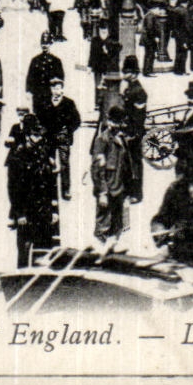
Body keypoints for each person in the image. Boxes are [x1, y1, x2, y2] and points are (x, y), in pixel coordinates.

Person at [4, 109, 60, 267]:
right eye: (35, 135)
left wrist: (54, 209)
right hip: (26, 210)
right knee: (25, 248)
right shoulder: (18, 158)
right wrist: (19, 213)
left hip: (43, 209)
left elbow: (52, 183)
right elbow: (13, 190)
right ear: (28, 136)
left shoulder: (44, 155)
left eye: (40, 135)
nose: (38, 139)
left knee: (44, 249)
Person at [90, 104, 132, 250]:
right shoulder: (102, 140)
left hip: (119, 189)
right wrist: (102, 192)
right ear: (109, 121)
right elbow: (97, 168)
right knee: (103, 226)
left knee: (118, 225)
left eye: (119, 123)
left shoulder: (121, 139)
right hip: (107, 189)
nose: (117, 125)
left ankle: (112, 252)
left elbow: (127, 166)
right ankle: (99, 252)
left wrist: (129, 190)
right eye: (114, 122)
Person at [36, 78, 83, 201]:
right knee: (47, 161)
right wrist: (42, 130)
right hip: (49, 137)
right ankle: (46, 188)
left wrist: (68, 130)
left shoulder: (69, 103)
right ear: (50, 90)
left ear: (62, 89)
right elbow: (39, 118)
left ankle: (66, 189)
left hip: (63, 137)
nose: (56, 91)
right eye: (53, 88)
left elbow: (77, 120)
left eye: (58, 88)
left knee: (64, 162)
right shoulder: (45, 102)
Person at [118, 58, 148, 204]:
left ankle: (137, 193)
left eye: (127, 72)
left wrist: (133, 133)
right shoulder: (129, 88)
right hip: (128, 130)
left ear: (134, 74)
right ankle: (129, 191)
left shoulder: (139, 91)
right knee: (126, 162)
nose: (124, 74)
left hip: (134, 132)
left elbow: (139, 117)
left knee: (135, 163)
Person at [25, 35, 65, 109]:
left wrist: (57, 92)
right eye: (43, 43)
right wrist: (28, 91)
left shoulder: (56, 61)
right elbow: (30, 77)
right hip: (37, 95)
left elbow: (61, 78)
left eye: (47, 43)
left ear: (50, 44)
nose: (45, 46)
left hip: (50, 94)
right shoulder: (35, 60)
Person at [141, 0, 169, 77]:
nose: (159, 11)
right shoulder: (151, 16)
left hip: (148, 38)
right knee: (150, 54)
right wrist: (155, 37)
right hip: (149, 39)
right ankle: (148, 70)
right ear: (154, 9)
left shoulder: (150, 15)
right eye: (158, 9)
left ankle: (148, 70)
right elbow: (150, 28)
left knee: (150, 54)